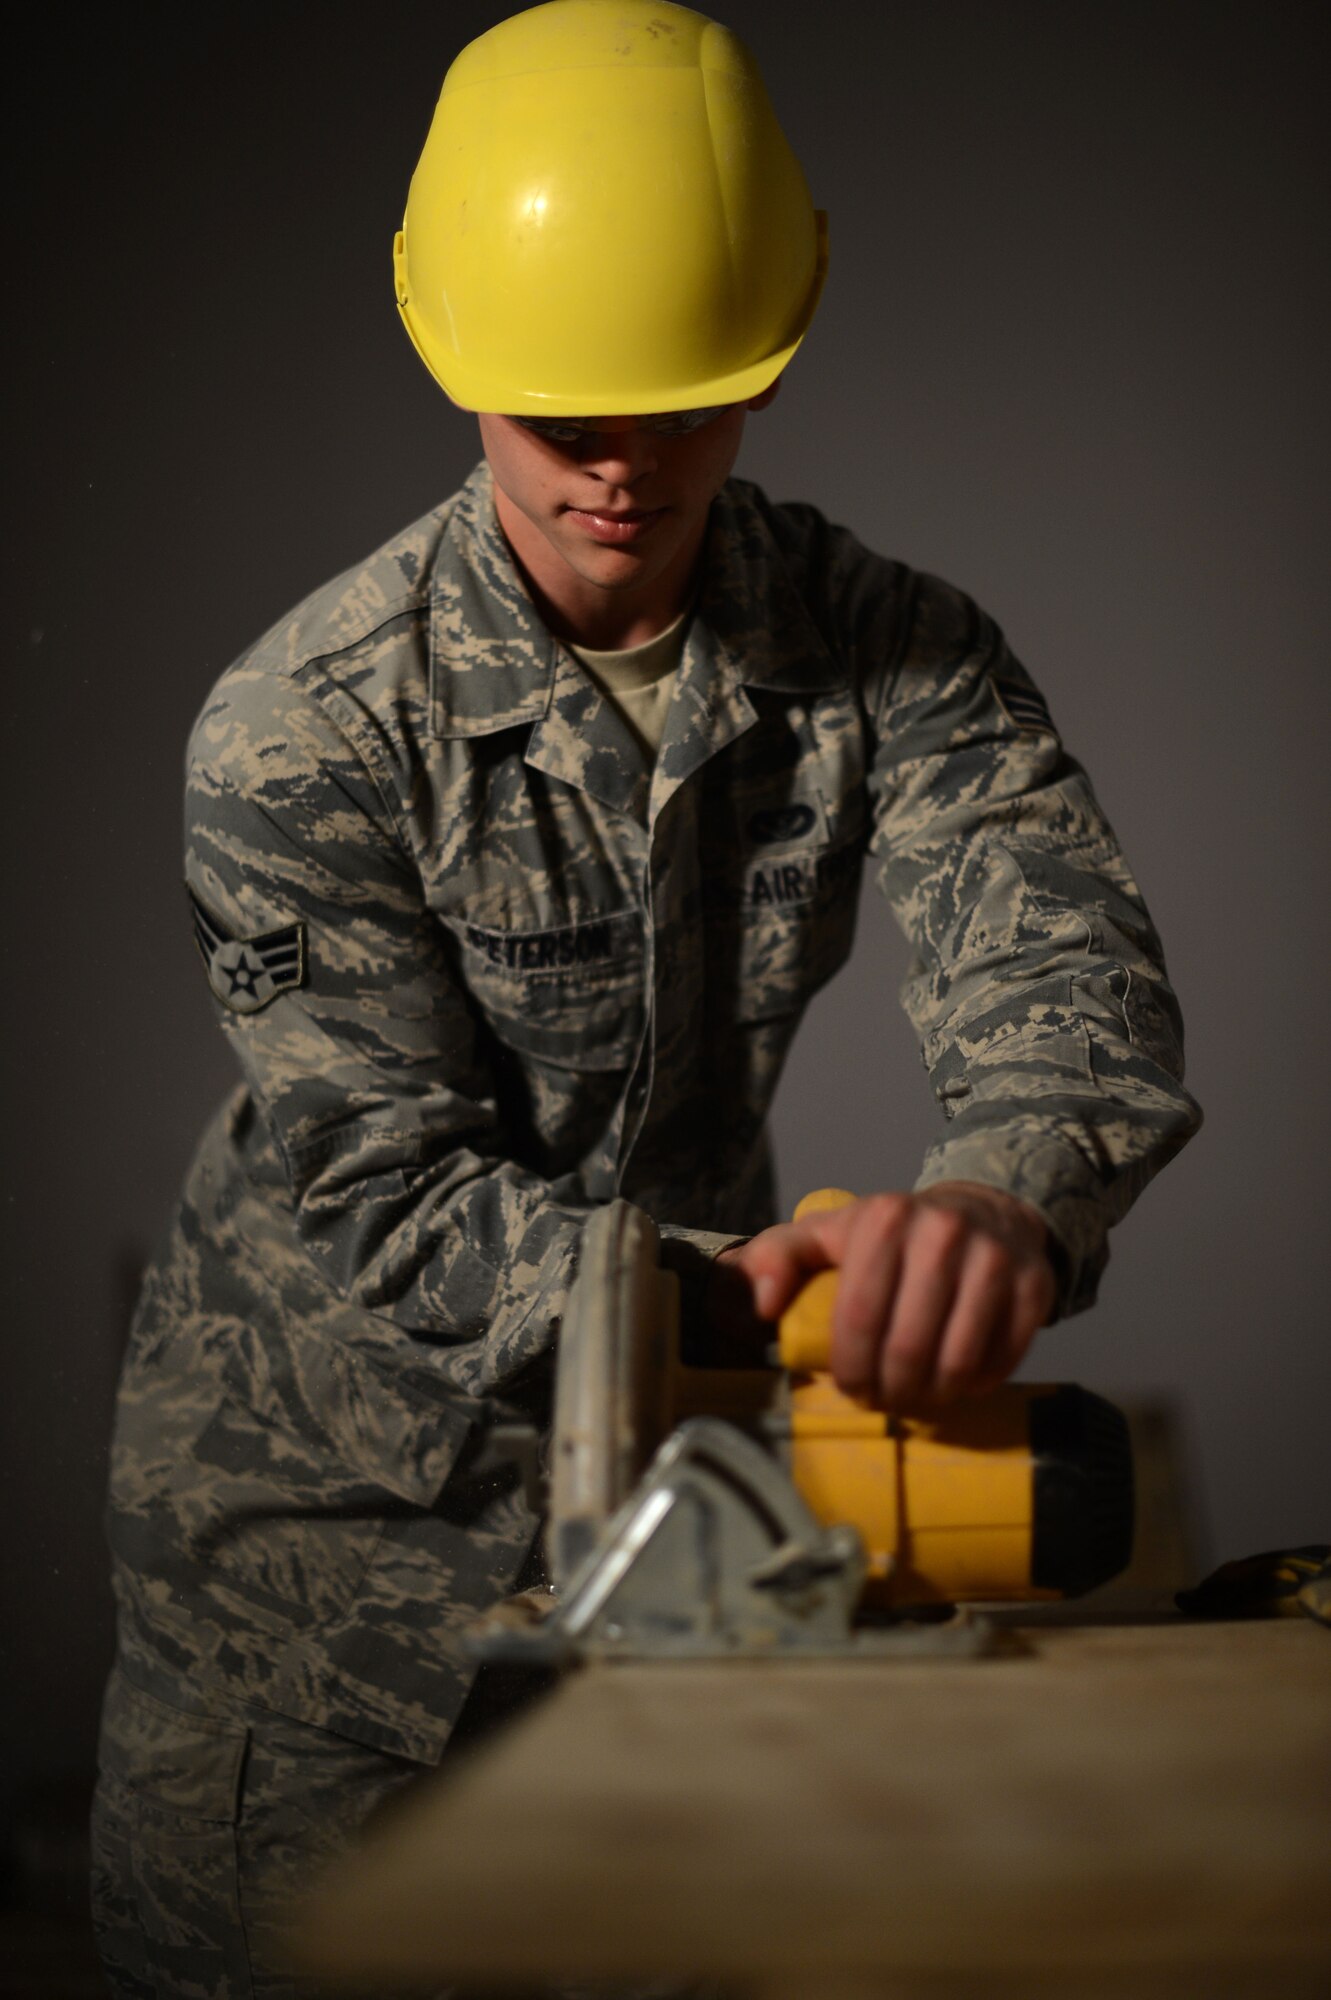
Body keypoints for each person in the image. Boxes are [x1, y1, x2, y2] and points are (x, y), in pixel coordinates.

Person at [91, 2, 1201, 1992]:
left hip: (686, 1530)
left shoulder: (898, 653)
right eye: (558, 411)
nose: (619, 468)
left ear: (777, 343)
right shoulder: (298, 732)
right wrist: (753, 1300)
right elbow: (390, 1200)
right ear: (454, 363)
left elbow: (1054, 965)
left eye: (682, 404)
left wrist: (1007, 1193)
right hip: (325, 1571)